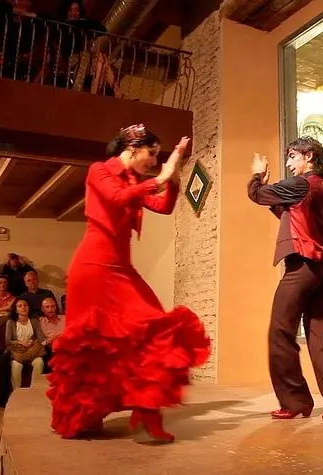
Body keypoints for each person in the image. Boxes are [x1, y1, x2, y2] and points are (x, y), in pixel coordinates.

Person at [47, 124, 210, 442]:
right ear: (132, 148)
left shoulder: (136, 180)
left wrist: (173, 182)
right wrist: (161, 178)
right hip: (92, 267)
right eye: (152, 154)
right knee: (92, 346)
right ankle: (85, 417)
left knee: (153, 329)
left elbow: (163, 206)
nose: (154, 162)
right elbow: (117, 198)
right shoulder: (99, 171)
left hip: (120, 267)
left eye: (158, 157)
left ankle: (148, 414)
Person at [247, 137, 323, 424]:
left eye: (293, 156)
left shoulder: (303, 184)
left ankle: (294, 400)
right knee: (318, 336)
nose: (289, 163)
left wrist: (257, 175)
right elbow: (292, 215)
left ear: (310, 156)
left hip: (301, 268)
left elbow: (258, 195)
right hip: (320, 269)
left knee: (279, 332)